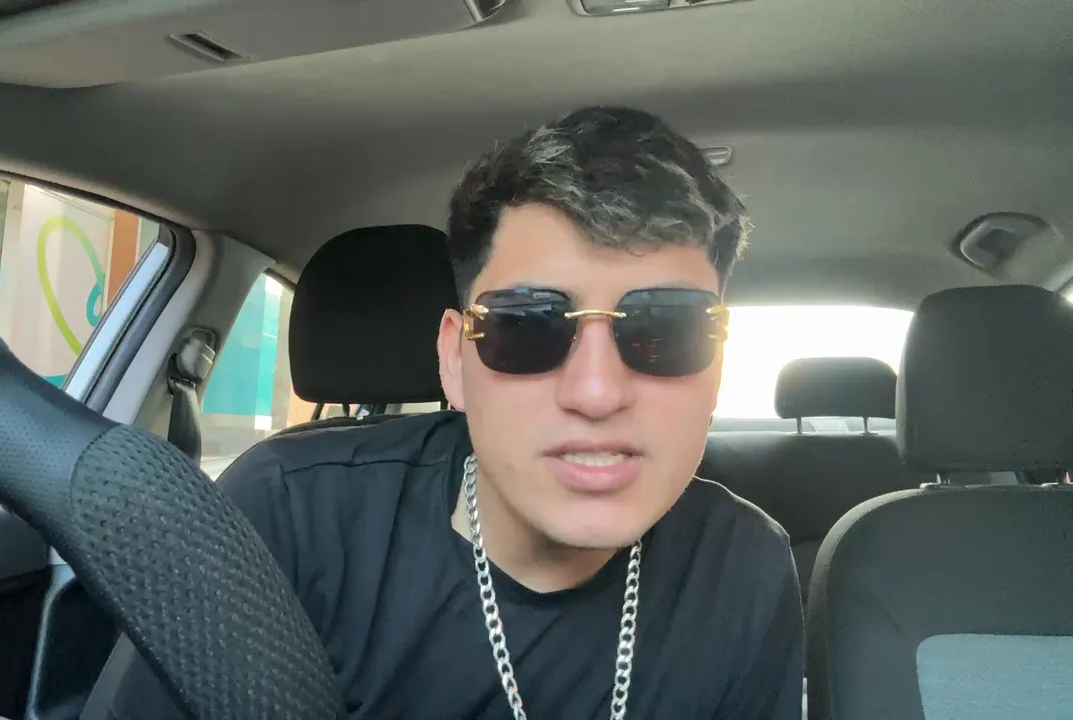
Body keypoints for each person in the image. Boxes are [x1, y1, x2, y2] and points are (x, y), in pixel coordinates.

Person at [224, 106, 804, 718]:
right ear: (454, 361)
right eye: (527, 325)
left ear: (717, 369)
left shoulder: (745, 567)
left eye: (668, 330)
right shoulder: (287, 517)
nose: (596, 392)